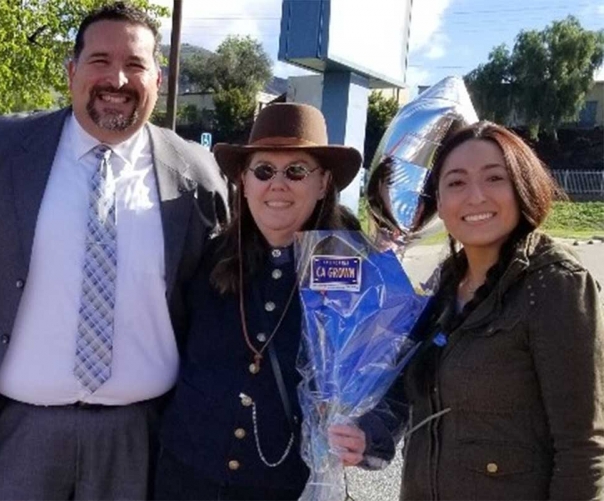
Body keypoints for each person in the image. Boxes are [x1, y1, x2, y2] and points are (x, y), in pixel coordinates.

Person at [0, 2, 227, 499]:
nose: (118, 79)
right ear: (71, 71)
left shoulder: (197, 174)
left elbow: (218, 304)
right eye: (100, 61)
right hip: (11, 438)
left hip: (140, 442)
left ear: (160, 78)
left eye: (135, 65)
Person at [154, 103, 399, 500]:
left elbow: (393, 379)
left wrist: (369, 433)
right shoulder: (207, 260)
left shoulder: (360, 273)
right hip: (185, 478)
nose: (278, 184)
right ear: (244, 182)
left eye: (297, 171)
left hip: (285, 486)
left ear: (323, 184)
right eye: (264, 170)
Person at [399, 121, 604, 500]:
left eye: (495, 178)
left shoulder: (553, 285)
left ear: (523, 187)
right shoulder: (445, 285)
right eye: (456, 182)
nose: (475, 196)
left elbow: (583, 449)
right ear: (439, 204)